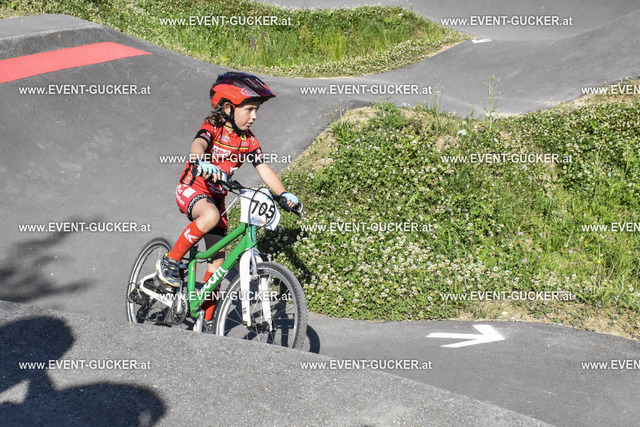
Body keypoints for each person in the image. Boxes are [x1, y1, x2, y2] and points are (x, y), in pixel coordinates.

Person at [156, 71, 299, 325]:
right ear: (228, 108)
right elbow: (198, 145)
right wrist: (201, 161)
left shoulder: (248, 140)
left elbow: (264, 168)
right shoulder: (214, 127)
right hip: (193, 187)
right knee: (210, 215)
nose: (254, 116)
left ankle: (208, 322)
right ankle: (170, 261)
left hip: (218, 198)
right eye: (249, 109)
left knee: (218, 264)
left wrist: (283, 193)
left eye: (256, 110)